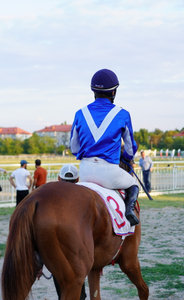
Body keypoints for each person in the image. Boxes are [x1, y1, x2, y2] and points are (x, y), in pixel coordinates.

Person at [70, 69, 139, 225]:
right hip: (109, 172)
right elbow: (130, 148)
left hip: (85, 172)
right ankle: (129, 213)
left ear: (93, 90)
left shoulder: (80, 113)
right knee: (133, 184)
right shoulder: (123, 114)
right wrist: (127, 158)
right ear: (114, 92)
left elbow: (74, 148)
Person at [53, 163, 86, 300]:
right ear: (77, 180)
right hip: (78, 254)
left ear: (59, 179)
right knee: (80, 294)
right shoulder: (84, 198)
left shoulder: (51, 199)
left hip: (55, 255)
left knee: (62, 292)